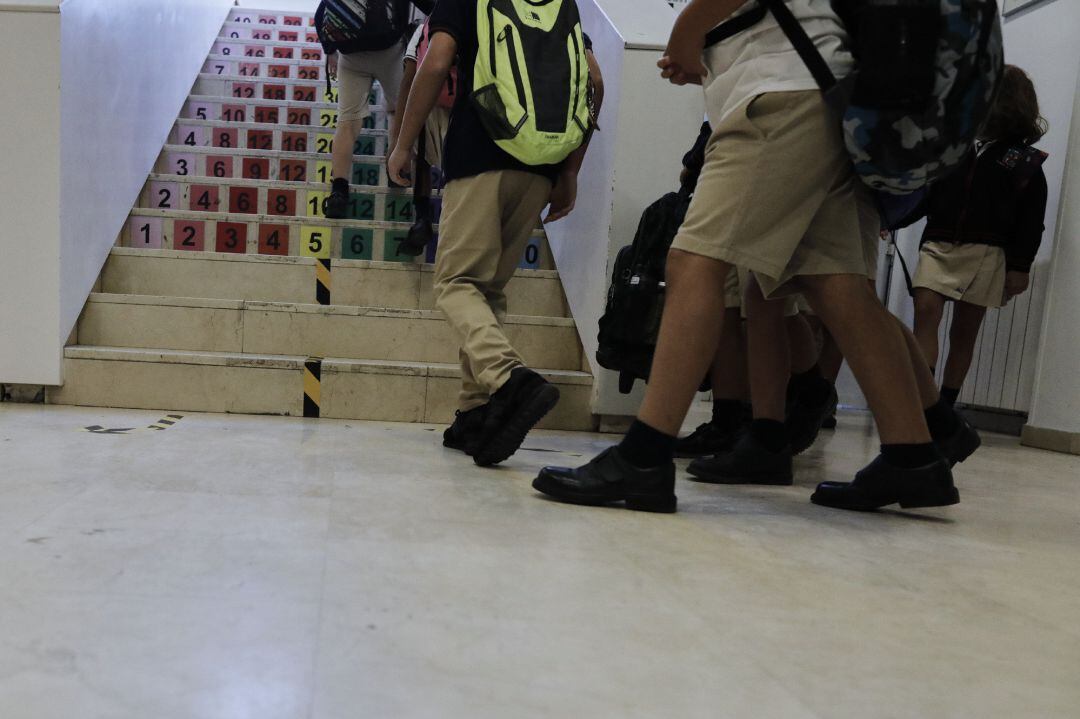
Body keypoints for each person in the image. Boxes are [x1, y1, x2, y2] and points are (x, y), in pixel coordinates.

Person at [533, 0, 977, 513]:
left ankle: (644, 455)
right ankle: (913, 456)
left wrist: (686, 35)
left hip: (778, 95)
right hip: (827, 95)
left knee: (694, 260)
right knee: (834, 283)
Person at [387, 0, 602, 467]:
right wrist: (570, 172)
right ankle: (475, 411)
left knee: (455, 283)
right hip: (540, 165)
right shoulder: (557, 5)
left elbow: (437, 59)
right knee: (487, 291)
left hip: (480, 153)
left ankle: (510, 380)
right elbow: (594, 82)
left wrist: (404, 142)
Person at [912, 65, 1049, 406]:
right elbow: (928, 195)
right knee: (926, 308)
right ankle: (925, 401)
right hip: (939, 243)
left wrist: (1021, 266)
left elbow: (1031, 219)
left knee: (964, 332)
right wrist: (893, 218)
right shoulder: (953, 147)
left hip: (988, 251)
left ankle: (945, 404)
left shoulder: (1023, 160)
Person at [316, 0, 436, 219]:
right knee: (397, 112)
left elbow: (322, 12)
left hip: (350, 56)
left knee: (347, 122)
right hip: (389, 53)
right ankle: (396, 172)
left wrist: (330, 50)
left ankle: (339, 190)